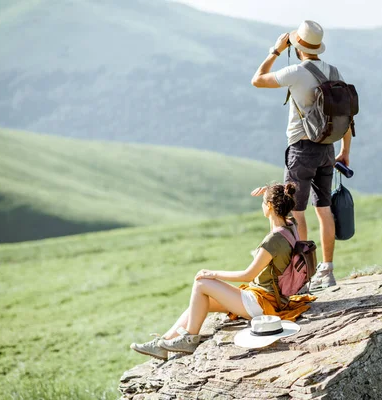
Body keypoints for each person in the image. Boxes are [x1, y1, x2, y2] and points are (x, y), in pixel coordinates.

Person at [130, 183, 316, 360]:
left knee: (202, 283)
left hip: (260, 303)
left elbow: (247, 275)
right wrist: (270, 193)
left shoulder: (272, 241)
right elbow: (278, 217)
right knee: (200, 302)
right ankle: (163, 345)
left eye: (263, 204)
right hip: (270, 298)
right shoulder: (290, 226)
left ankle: (189, 339)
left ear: (269, 206)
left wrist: (214, 274)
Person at [251, 20, 352, 290]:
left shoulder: (295, 71)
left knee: (296, 213)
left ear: (296, 46)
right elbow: (344, 113)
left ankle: (302, 277)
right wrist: (345, 151)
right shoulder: (333, 70)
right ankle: (327, 271)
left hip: (301, 149)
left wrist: (274, 50)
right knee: (324, 209)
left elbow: (257, 80)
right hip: (328, 148)